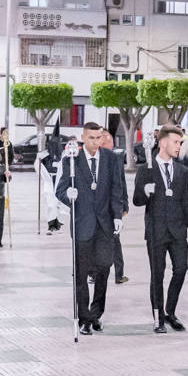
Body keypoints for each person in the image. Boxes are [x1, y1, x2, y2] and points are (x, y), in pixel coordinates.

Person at [57, 123, 125, 335]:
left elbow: (117, 188)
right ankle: (84, 318)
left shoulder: (111, 159)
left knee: (104, 268)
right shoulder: (71, 160)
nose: (96, 142)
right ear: (83, 138)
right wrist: (69, 194)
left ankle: (96, 313)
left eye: (99, 138)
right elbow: (60, 190)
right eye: (92, 138)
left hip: (105, 225)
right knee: (81, 273)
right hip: (82, 224)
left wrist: (117, 215)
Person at [134, 126, 188, 333]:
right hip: (156, 230)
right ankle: (158, 315)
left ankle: (170, 311)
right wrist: (145, 191)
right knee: (158, 274)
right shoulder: (147, 169)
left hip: (178, 230)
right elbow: (136, 200)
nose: (179, 146)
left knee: (181, 269)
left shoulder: (181, 170)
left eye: (180, 143)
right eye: (176, 142)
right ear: (163, 142)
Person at [99, 131, 130, 284]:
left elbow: (121, 184)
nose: (111, 144)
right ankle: (94, 273)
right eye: (108, 140)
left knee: (115, 240)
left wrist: (125, 205)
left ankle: (119, 274)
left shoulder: (116, 159)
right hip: (98, 210)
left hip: (113, 209)